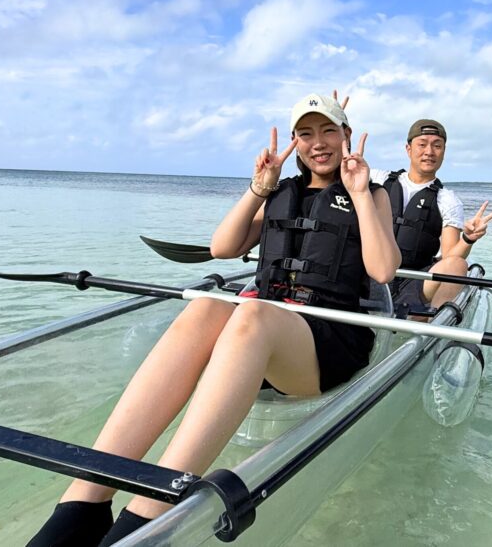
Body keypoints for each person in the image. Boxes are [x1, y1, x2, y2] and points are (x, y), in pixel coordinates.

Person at [28, 94, 400, 546]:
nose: (317, 143)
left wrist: (360, 191)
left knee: (253, 314)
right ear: (295, 141)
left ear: (346, 135)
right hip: (264, 334)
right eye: (306, 133)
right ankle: (85, 499)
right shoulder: (280, 193)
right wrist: (259, 187)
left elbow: (383, 270)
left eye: (328, 132)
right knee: (206, 305)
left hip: (329, 342)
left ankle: (151, 510)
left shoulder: (372, 194)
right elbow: (223, 246)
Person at [368, 117, 492, 317]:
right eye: (422, 144)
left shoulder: (448, 200)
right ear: (408, 149)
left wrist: (468, 238)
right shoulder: (378, 179)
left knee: (458, 264)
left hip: (412, 282)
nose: (429, 152)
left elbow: (449, 256)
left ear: (444, 152)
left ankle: (432, 331)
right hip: (367, 275)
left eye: (437, 146)